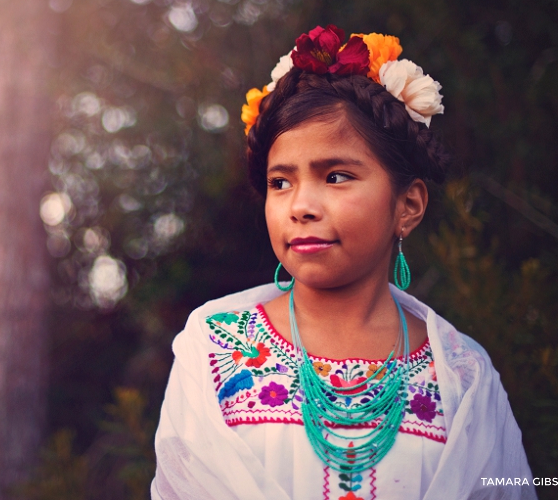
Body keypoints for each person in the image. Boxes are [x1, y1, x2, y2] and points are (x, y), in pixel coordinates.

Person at [150, 25, 535, 500]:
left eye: (335, 176)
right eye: (280, 183)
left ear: (408, 206)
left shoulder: (463, 376)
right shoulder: (211, 351)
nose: (301, 206)